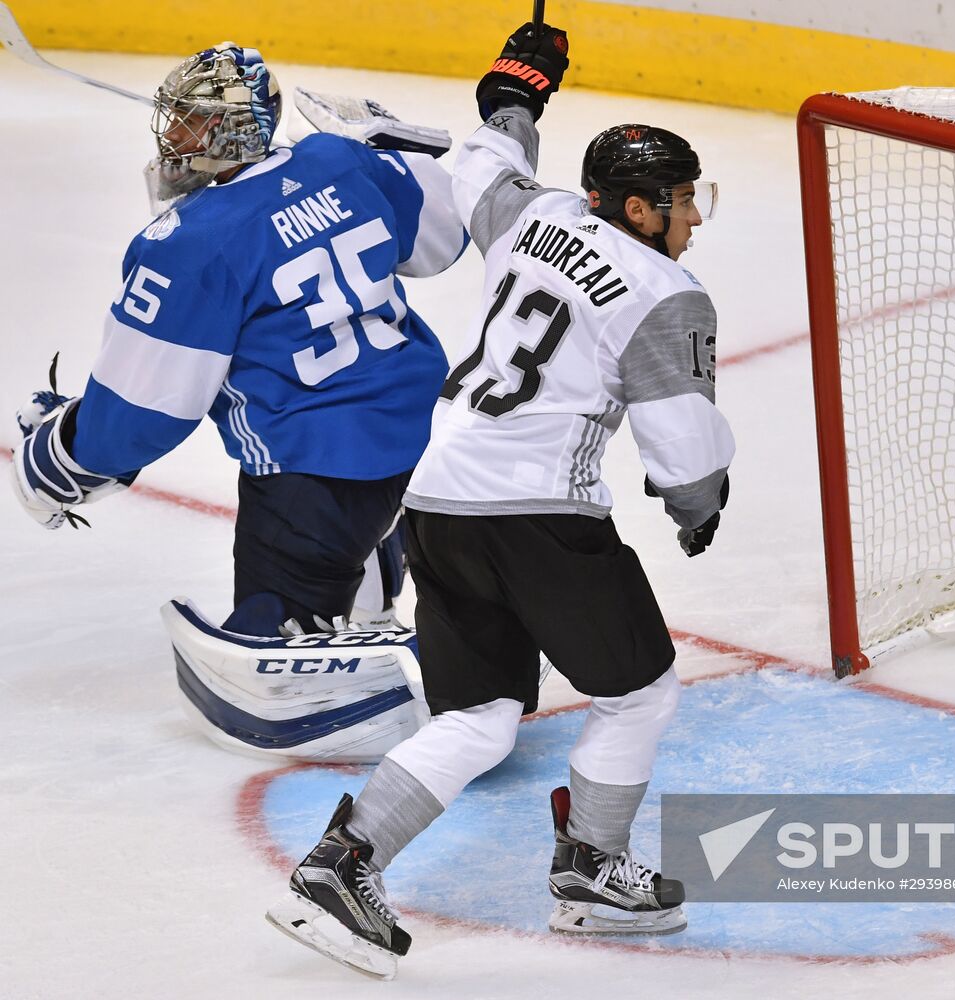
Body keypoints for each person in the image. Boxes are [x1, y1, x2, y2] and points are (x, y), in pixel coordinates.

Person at [265, 19, 734, 980]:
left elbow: (486, 154)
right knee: (638, 693)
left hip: (437, 500)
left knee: (477, 716)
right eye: (684, 202)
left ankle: (342, 864)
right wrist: (697, 506)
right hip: (538, 519)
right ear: (639, 210)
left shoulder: (538, 216)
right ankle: (592, 872)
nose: (693, 218)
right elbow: (684, 455)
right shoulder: (664, 289)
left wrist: (522, 83)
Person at [11, 42, 469, 759]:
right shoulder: (335, 160)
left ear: (230, 132)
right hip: (418, 433)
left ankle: (338, 637)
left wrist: (65, 453)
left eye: (191, 122)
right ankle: (369, 587)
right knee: (365, 524)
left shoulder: (189, 242)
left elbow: (145, 412)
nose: (172, 136)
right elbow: (440, 240)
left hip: (311, 471)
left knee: (267, 625)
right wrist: (384, 148)